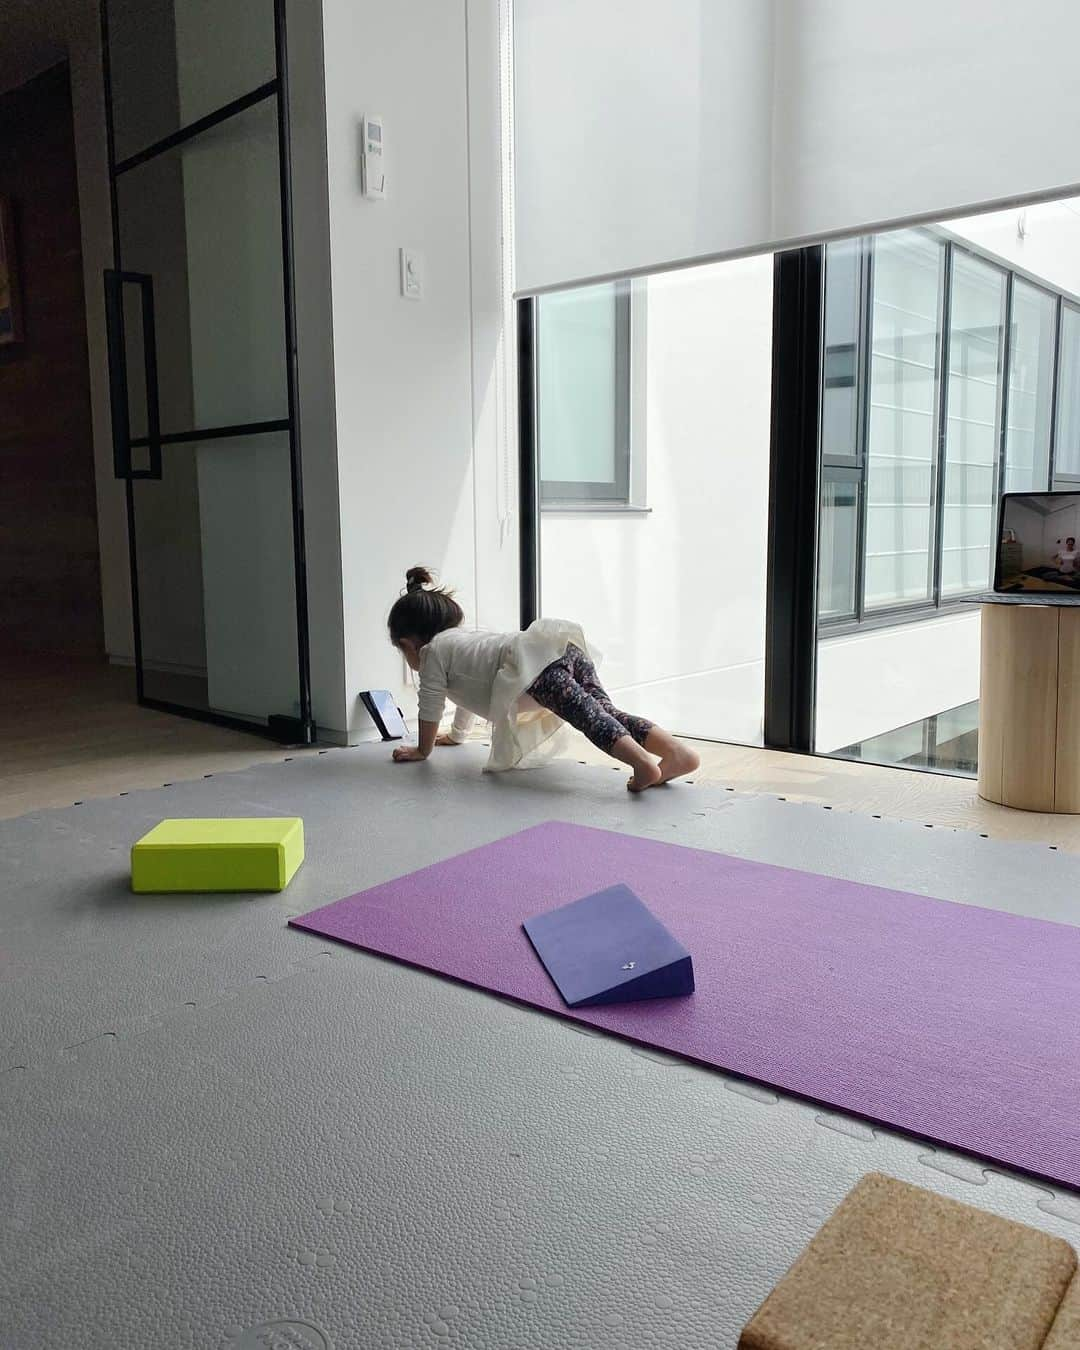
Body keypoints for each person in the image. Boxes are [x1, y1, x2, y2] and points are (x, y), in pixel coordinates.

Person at [386, 566, 700, 792]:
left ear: (407, 645)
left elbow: (431, 706)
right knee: (605, 712)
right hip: (561, 648)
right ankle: (676, 753)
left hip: (535, 668)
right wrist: (457, 735)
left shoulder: (432, 654)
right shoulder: (459, 643)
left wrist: (422, 750)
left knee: (589, 718)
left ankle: (642, 763)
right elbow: (467, 694)